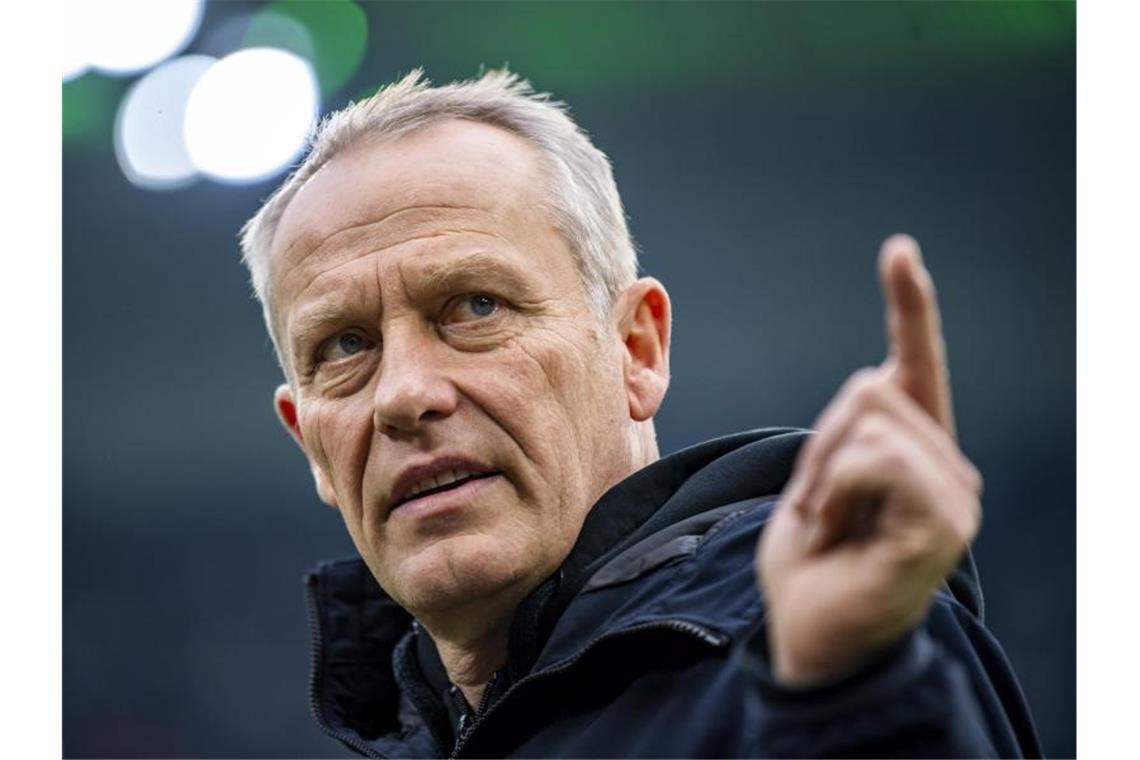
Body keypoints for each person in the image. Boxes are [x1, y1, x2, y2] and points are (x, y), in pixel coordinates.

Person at [239, 69, 1041, 757]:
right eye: (344, 347)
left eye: (474, 305)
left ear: (636, 350)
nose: (406, 395)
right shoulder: (411, 722)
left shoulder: (829, 640)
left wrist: (859, 696)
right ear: (309, 443)